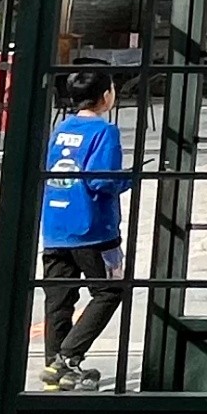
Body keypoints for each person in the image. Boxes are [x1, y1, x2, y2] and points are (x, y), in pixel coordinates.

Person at [37, 68, 132, 391]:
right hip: (93, 228)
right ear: (106, 96)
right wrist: (131, 178)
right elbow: (102, 180)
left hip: (54, 225)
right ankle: (68, 357)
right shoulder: (105, 132)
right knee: (110, 290)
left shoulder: (61, 129)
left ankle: (55, 368)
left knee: (58, 299)